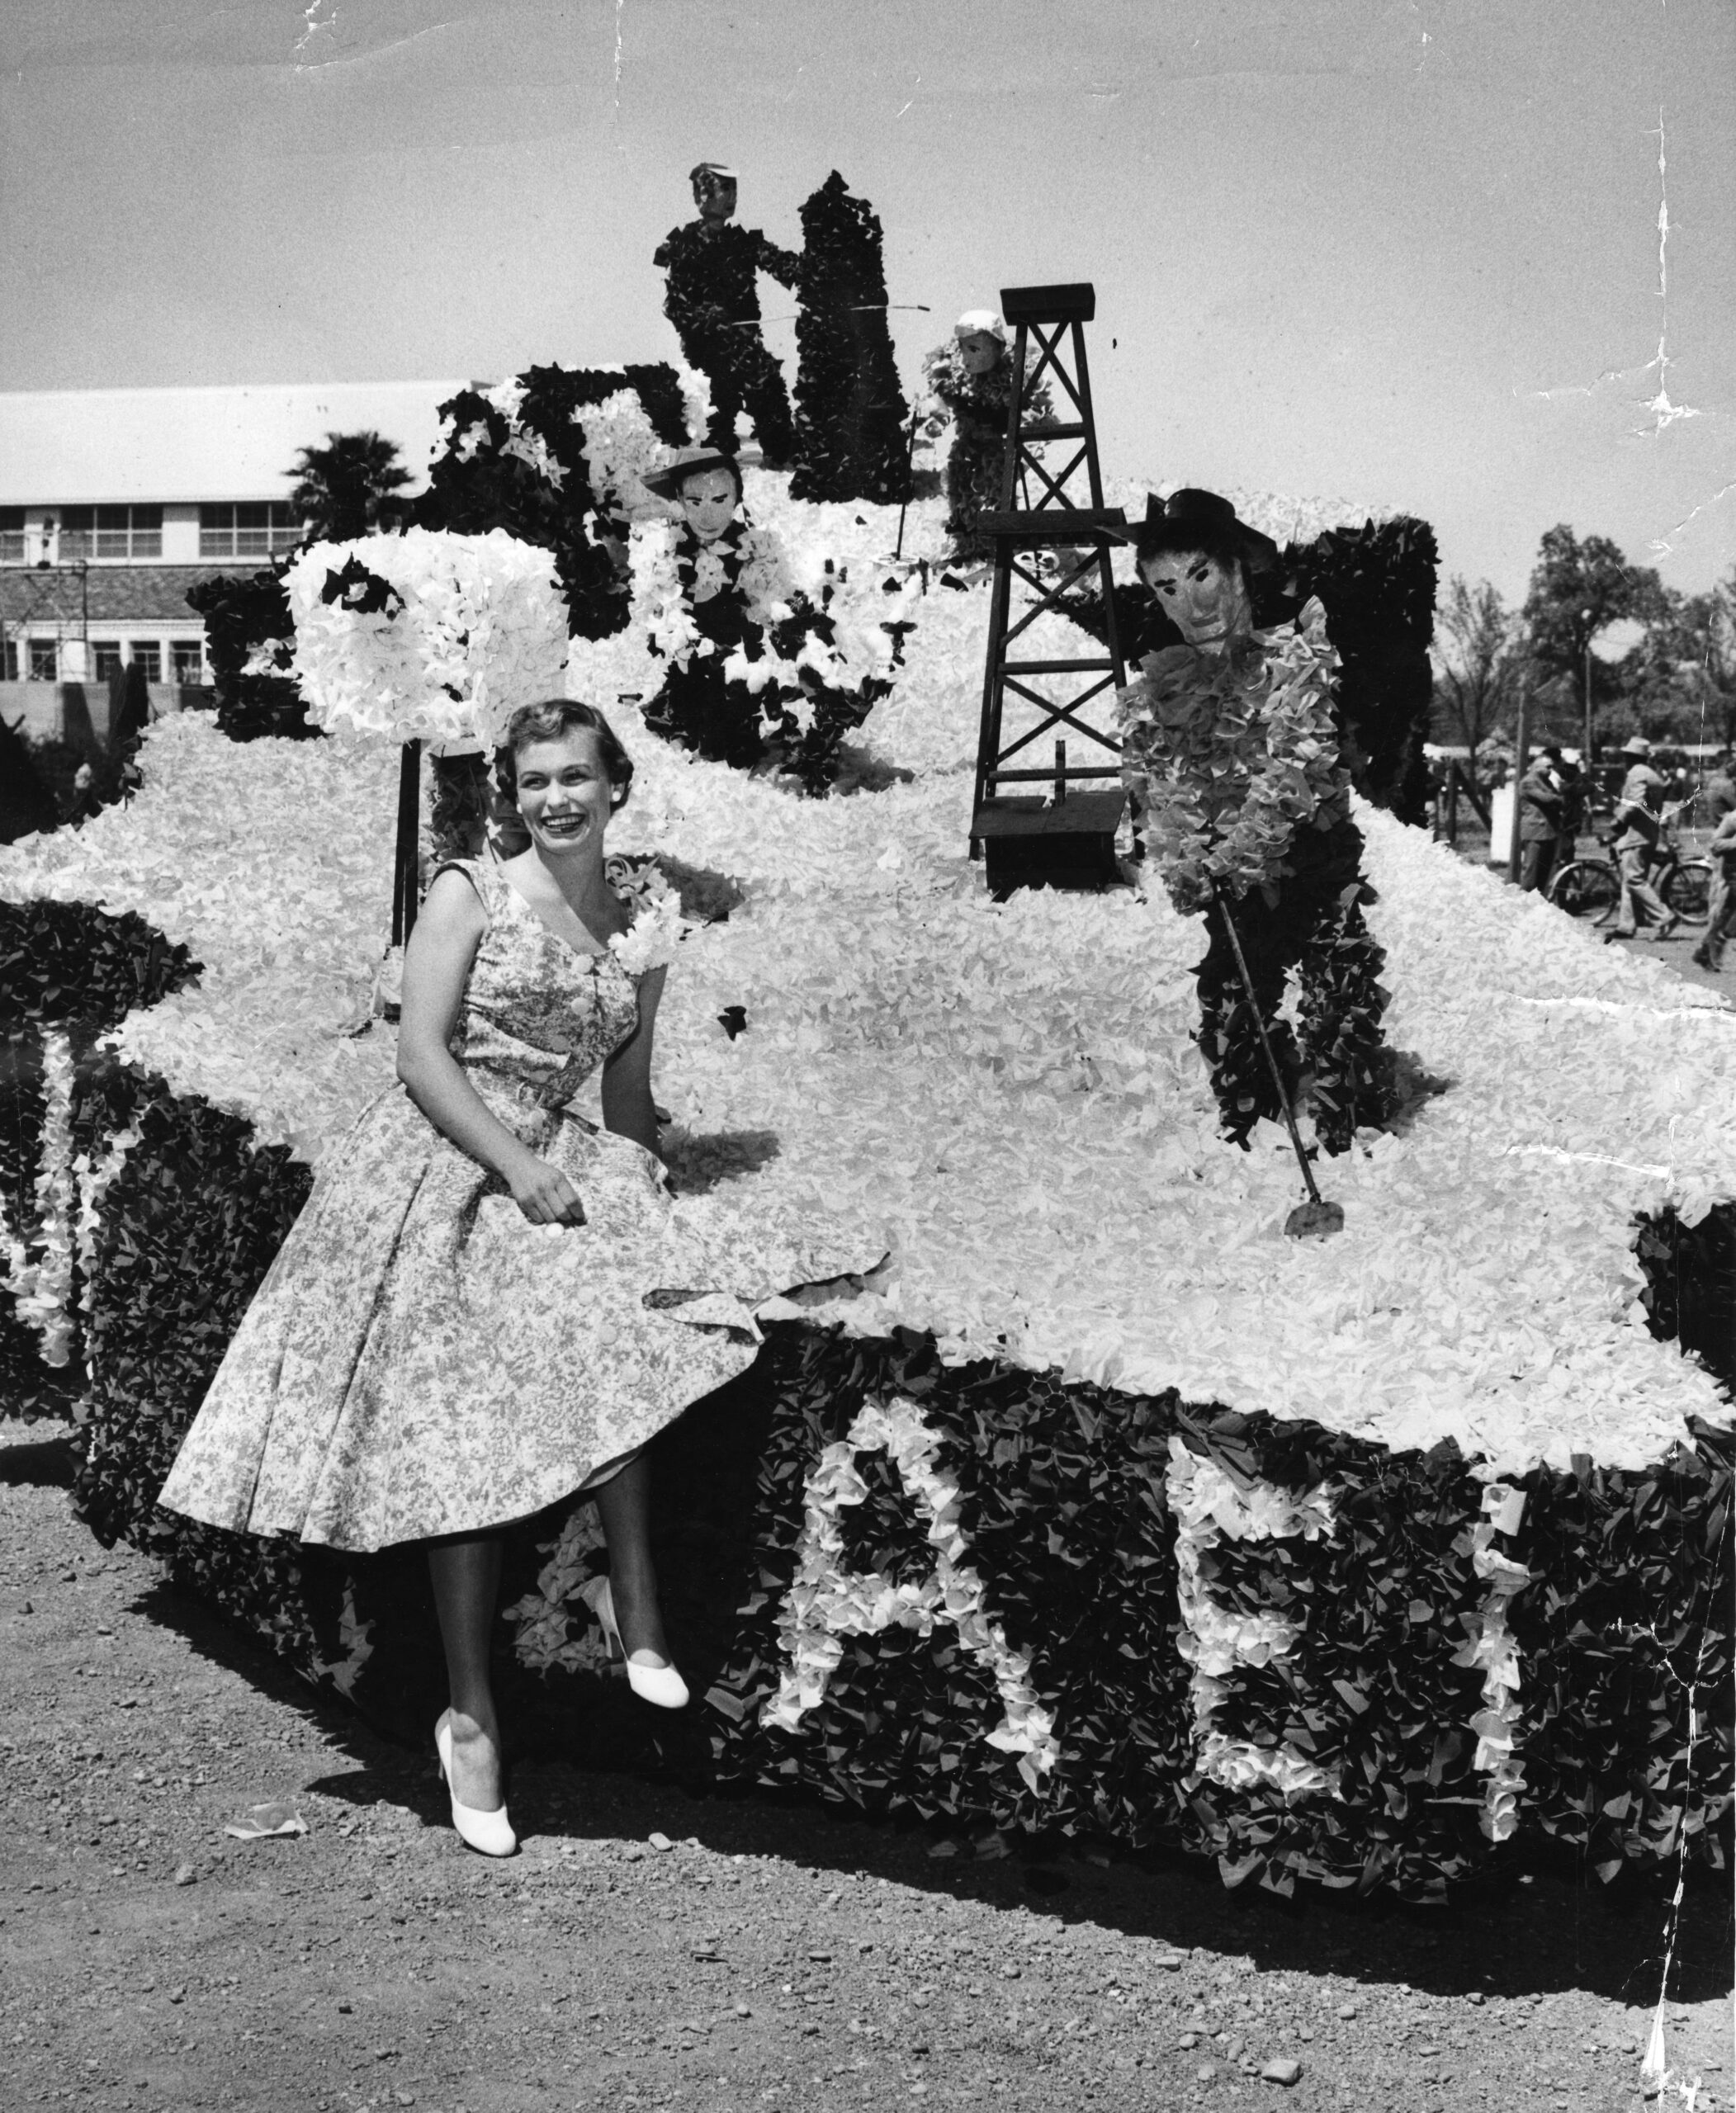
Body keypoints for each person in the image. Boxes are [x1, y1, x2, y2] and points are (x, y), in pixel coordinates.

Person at [158, 697, 868, 1855]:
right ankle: (469, 1719)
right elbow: (419, 1054)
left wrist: (639, 1190)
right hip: (440, 1159)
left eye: (575, 777)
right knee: (467, 1426)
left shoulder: (645, 919)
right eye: (534, 782)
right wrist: (518, 1166)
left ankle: (631, 1597)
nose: (556, 800)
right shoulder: (469, 892)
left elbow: (626, 1092)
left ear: (615, 784)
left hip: (550, 1149)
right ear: (512, 795)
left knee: (637, 1306)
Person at [1115, 489, 1393, 1156]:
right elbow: (1162, 785)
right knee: (1228, 1000)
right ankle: (1255, 1118)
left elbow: (1294, 770)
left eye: (1202, 576)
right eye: (1167, 589)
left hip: (1313, 866)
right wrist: (1187, 860)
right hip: (1230, 885)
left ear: (1238, 572)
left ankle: (1349, 1128)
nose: (1192, 605)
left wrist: (1239, 852)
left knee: (1338, 996)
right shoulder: (1161, 689)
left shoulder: (1294, 661)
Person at [640, 445, 797, 768]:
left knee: (733, 735)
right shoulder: (672, 549)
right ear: (680, 500)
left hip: (738, 660)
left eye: (720, 499)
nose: (707, 515)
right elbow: (661, 616)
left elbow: (769, 606)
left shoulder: (751, 548)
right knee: (693, 715)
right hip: (692, 661)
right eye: (695, 501)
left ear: (737, 498)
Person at [654, 163, 800, 465]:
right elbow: (675, 307)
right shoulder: (684, 244)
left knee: (769, 391)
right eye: (725, 189)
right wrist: (707, 317)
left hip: (745, 347)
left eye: (735, 189)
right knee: (716, 426)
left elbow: (785, 266)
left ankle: (781, 456)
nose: (733, 197)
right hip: (708, 355)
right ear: (704, 195)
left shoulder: (742, 242)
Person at [920, 311, 1052, 561]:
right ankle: (967, 545)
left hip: (997, 447)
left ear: (998, 348)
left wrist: (1028, 436)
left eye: (974, 349)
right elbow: (939, 402)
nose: (966, 356)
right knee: (961, 492)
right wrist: (931, 418)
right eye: (962, 348)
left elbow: (1037, 410)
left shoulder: (1015, 375)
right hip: (966, 445)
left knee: (996, 491)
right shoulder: (953, 371)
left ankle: (998, 544)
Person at [1606, 734, 1678, 942]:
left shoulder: (1636, 773)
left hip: (1636, 834)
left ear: (1632, 756)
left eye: (1627, 756)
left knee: (1634, 879)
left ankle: (1664, 916)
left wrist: (1619, 821)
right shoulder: (1652, 774)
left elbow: (1636, 803)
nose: (1624, 759)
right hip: (1648, 833)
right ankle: (1627, 926)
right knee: (1630, 880)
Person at [1691, 801, 1736, 971]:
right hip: (1734, 872)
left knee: (1727, 913)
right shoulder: (1733, 819)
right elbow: (1714, 844)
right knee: (1728, 914)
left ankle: (1705, 950)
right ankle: (1717, 942)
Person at [1517, 745, 1567, 893]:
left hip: (1549, 832)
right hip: (1535, 833)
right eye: (1548, 767)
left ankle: (1539, 900)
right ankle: (1525, 900)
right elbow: (1546, 798)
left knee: (1545, 873)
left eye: (1552, 767)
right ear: (1537, 767)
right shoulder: (1528, 782)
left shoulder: (1547, 782)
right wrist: (1560, 799)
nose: (1551, 770)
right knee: (1531, 872)